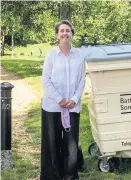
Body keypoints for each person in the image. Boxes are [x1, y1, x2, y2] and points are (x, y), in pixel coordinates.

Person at [41, 20, 86, 180]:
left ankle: (70, 176)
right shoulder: (51, 56)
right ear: (57, 35)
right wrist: (59, 99)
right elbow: (46, 80)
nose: (65, 33)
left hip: (72, 107)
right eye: (62, 31)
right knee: (52, 144)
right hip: (52, 106)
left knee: (71, 145)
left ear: (72, 34)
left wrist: (74, 99)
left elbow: (82, 80)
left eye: (68, 30)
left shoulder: (80, 55)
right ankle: (52, 176)